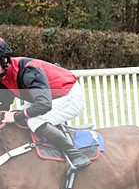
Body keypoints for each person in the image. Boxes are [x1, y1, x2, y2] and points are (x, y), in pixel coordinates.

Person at [0, 37, 90, 169]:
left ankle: (75, 154)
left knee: (34, 121)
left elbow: (44, 105)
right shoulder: (3, 75)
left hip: (69, 96)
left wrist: (14, 117)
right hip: (46, 99)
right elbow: (4, 105)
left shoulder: (28, 71)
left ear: (4, 60)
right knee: (15, 115)